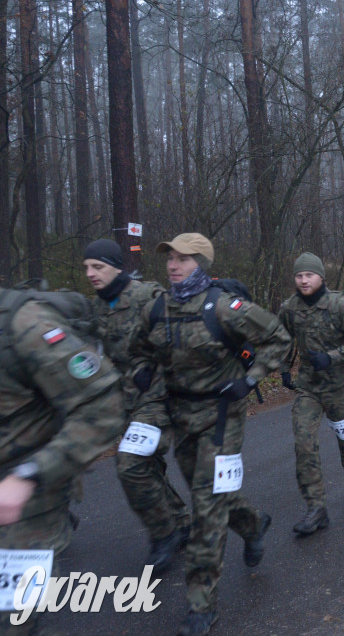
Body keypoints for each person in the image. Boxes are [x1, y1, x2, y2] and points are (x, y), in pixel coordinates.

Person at [139, 233, 291, 635]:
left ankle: (200, 605)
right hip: (180, 416)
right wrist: (142, 372)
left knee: (206, 509)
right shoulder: (158, 306)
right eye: (170, 257)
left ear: (200, 263)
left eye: (183, 259)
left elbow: (278, 337)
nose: (173, 264)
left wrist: (251, 378)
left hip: (222, 417)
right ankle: (253, 523)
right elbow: (141, 349)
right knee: (212, 496)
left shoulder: (225, 306)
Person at [0, 288, 126, 633]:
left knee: (13, 622)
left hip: (24, 510)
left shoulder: (25, 324)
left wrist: (29, 475)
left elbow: (102, 406)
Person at [84, 239, 191, 572]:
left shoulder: (148, 296)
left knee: (130, 464)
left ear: (117, 266)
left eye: (98, 266)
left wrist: (155, 367)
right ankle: (181, 521)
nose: (90, 273)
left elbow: (183, 339)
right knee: (148, 467)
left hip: (159, 399)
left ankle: (164, 535)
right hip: (126, 401)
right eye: (86, 267)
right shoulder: (98, 306)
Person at [278, 253, 344, 539]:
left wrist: (332, 357)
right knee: (304, 444)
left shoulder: (340, 304)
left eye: (309, 275)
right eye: (299, 275)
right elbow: (281, 339)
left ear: (321, 277)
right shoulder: (289, 307)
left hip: (341, 386)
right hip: (309, 387)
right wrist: (283, 367)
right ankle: (316, 508)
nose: (303, 280)